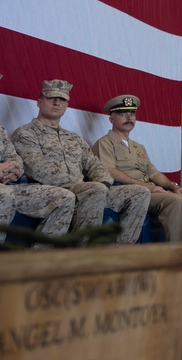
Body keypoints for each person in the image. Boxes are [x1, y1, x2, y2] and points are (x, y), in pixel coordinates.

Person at [12, 80, 150, 244]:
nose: (57, 103)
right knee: (95, 189)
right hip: (51, 191)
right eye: (51, 98)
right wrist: (83, 185)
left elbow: (94, 163)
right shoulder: (26, 133)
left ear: (67, 105)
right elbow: (39, 169)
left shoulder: (73, 138)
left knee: (140, 192)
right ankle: (83, 255)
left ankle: (119, 254)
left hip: (88, 190)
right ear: (39, 102)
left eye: (62, 99)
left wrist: (103, 182)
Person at [92, 94, 182, 242]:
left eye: (132, 113)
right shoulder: (104, 143)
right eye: (122, 114)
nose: (129, 118)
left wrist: (173, 186)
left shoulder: (138, 147)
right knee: (173, 200)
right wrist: (149, 187)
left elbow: (154, 173)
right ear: (111, 119)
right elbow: (109, 171)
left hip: (152, 192)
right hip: (130, 193)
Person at [1, 122, 75, 247]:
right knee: (4, 194)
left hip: (7, 185)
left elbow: (14, 157)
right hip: (3, 191)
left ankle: (41, 261)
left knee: (64, 197)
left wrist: (15, 168)